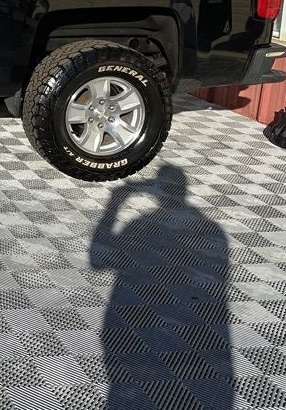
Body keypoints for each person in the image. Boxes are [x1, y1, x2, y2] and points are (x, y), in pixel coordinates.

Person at [89, 164, 231, 409]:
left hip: (131, 321)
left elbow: (98, 261)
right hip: (196, 335)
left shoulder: (139, 224)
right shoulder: (214, 230)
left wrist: (115, 203)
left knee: (125, 383)